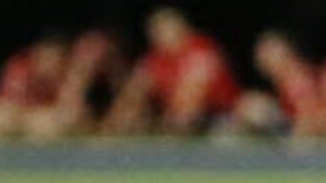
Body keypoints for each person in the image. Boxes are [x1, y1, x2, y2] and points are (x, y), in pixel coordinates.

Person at [101, 7, 240, 135]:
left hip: (222, 114)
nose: (160, 36)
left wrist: (161, 123)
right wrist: (116, 119)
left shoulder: (201, 49)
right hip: (180, 118)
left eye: (165, 30)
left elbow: (191, 98)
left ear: (182, 29)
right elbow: (133, 92)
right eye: (156, 32)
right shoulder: (154, 58)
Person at [0, 34, 72, 139]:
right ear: (37, 56)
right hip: (16, 116)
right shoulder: (18, 68)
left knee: (53, 121)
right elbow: (11, 106)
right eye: (47, 58)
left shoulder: (64, 74)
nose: (49, 63)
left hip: (39, 117)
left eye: (54, 59)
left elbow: (68, 110)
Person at [237, 30, 326, 137]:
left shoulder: (297, 80)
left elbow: (314, 120)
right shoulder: (286, 83)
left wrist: (277, 124)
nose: (262, 61)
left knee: (255, 109)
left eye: (268, 54)